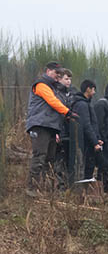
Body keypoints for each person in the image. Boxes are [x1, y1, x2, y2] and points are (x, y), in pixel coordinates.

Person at [25, 62, 70, 193]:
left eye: (60, 74)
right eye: (57, 73)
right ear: (48, 71)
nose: (58, 76)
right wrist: (67, 112)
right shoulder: (41, 85)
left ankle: (42, 189)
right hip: (40, 125)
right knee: (39, 156)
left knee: (49, 159)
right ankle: (31, 188)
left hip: (50, 127)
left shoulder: (53, 87)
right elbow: (52, 101)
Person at [67, 79, 103, 185]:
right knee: (86, 167)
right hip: (85, 143)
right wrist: (94, 142)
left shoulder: (85, 103)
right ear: (88, 89)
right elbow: (86, 125)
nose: (94, 92)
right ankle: (82, 192)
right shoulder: (82, 104)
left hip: (89, 141)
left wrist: (97, 139)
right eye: (93, 90)